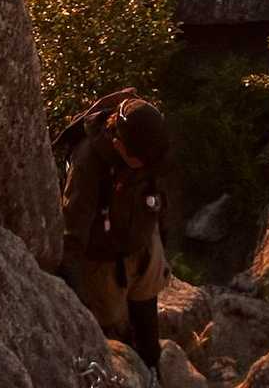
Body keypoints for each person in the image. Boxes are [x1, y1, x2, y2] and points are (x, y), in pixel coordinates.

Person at [58, 90, 170, 382]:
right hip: (103, 260)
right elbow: (72, 235)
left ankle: (152, 369)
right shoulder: (88, 163)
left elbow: (158, 190)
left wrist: (161, 237)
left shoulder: (149, 142)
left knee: (146, 317)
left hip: (142, 242)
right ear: (118, 144)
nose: (146, 164)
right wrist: (77, 302)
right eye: (140, 160)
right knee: (114, 334)